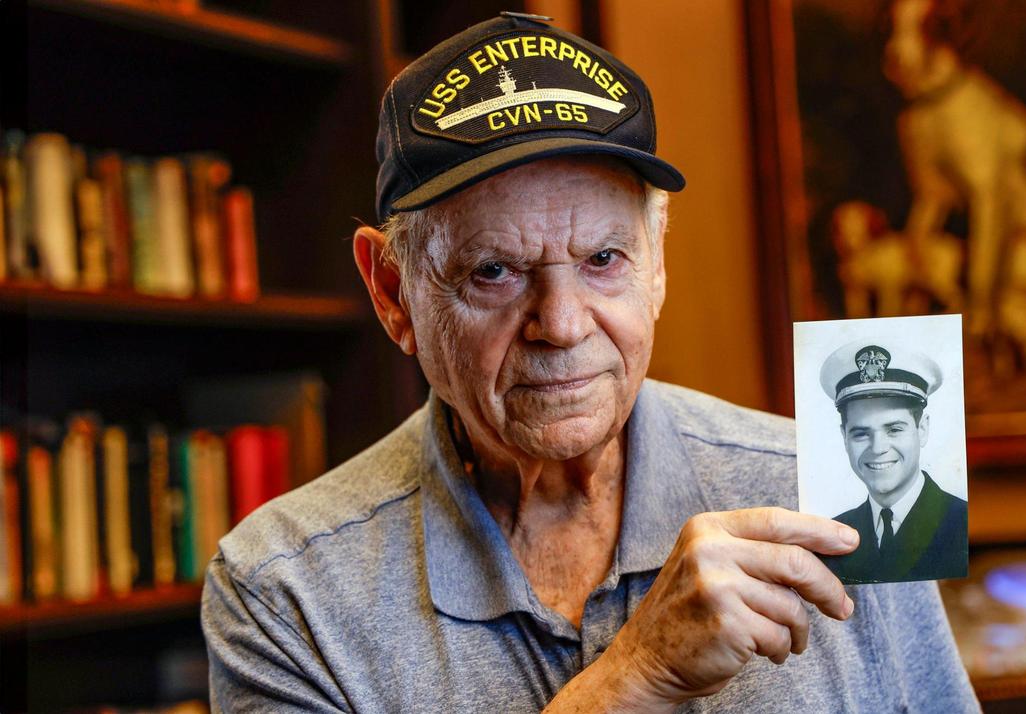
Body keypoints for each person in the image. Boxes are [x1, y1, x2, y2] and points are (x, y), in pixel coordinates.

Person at [201, 13, 979, 712]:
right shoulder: (284, 590)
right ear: (393, 293)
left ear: (658, 264)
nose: (563, 326)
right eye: (494, 272)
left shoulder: (837, 493)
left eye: (604, 258)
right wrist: (635, 677)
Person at [819, 342, 969, 584]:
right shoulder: (834, 532)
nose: (878, 448)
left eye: (894, 429)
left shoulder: (962, 522)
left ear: (922, 429)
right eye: (860, 433)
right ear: (844, 438)